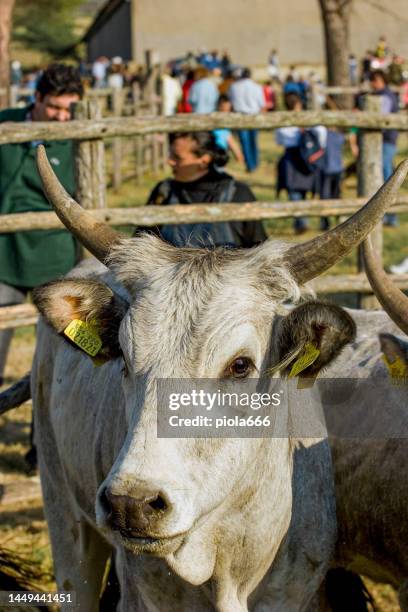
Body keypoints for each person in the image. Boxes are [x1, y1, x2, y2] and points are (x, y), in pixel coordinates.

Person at [0, 63, 83, 390]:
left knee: (70, 343)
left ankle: (43, 435)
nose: (63, 117)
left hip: (56, 257)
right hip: (5, 255)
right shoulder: (7, 124)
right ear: (36, 97)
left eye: (69, 109)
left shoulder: (77, 137)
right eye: (54, 107)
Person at [134, 131, 267, 249]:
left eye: (177, 157)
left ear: (204, 160)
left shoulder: (237, 194)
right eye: (170, 154)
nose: (169, 161)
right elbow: (140, 244)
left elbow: (259, 250)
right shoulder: (163, 192)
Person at [275, 93, 327, 234]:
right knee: (302, 189)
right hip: (306, 156)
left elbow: (278, 140)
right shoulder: (308, 119)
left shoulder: (281, 121)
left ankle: (301, 221)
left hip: (291, 157)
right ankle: (301, 220)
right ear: (299, 104)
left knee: (294, 189)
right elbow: (321, 132)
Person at [370, 70, 399, 226]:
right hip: (386, 140)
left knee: (385, 180)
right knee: (386, 177)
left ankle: (389, 216)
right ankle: (388, 216)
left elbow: (381, 118)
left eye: (374, 80)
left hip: (386, 140)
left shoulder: (385, 96)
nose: (372, 84)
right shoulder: (384, 95)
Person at [229, 68, 265, 172]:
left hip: (240, 116)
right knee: (253, 140)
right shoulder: (256, 87)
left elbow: (231, 101)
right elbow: (261, 103)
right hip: (253, 116)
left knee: (244, 142)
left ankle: (250, 164)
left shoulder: (234, 86)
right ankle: (255, 163)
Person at [213, 95, 244, 165]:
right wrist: (239, 157)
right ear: (219, 107)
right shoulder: (218, 123)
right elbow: (231, 142)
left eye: (229, 110)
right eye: (225, 110)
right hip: (217, 152)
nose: (227, 113)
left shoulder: (224, 125)